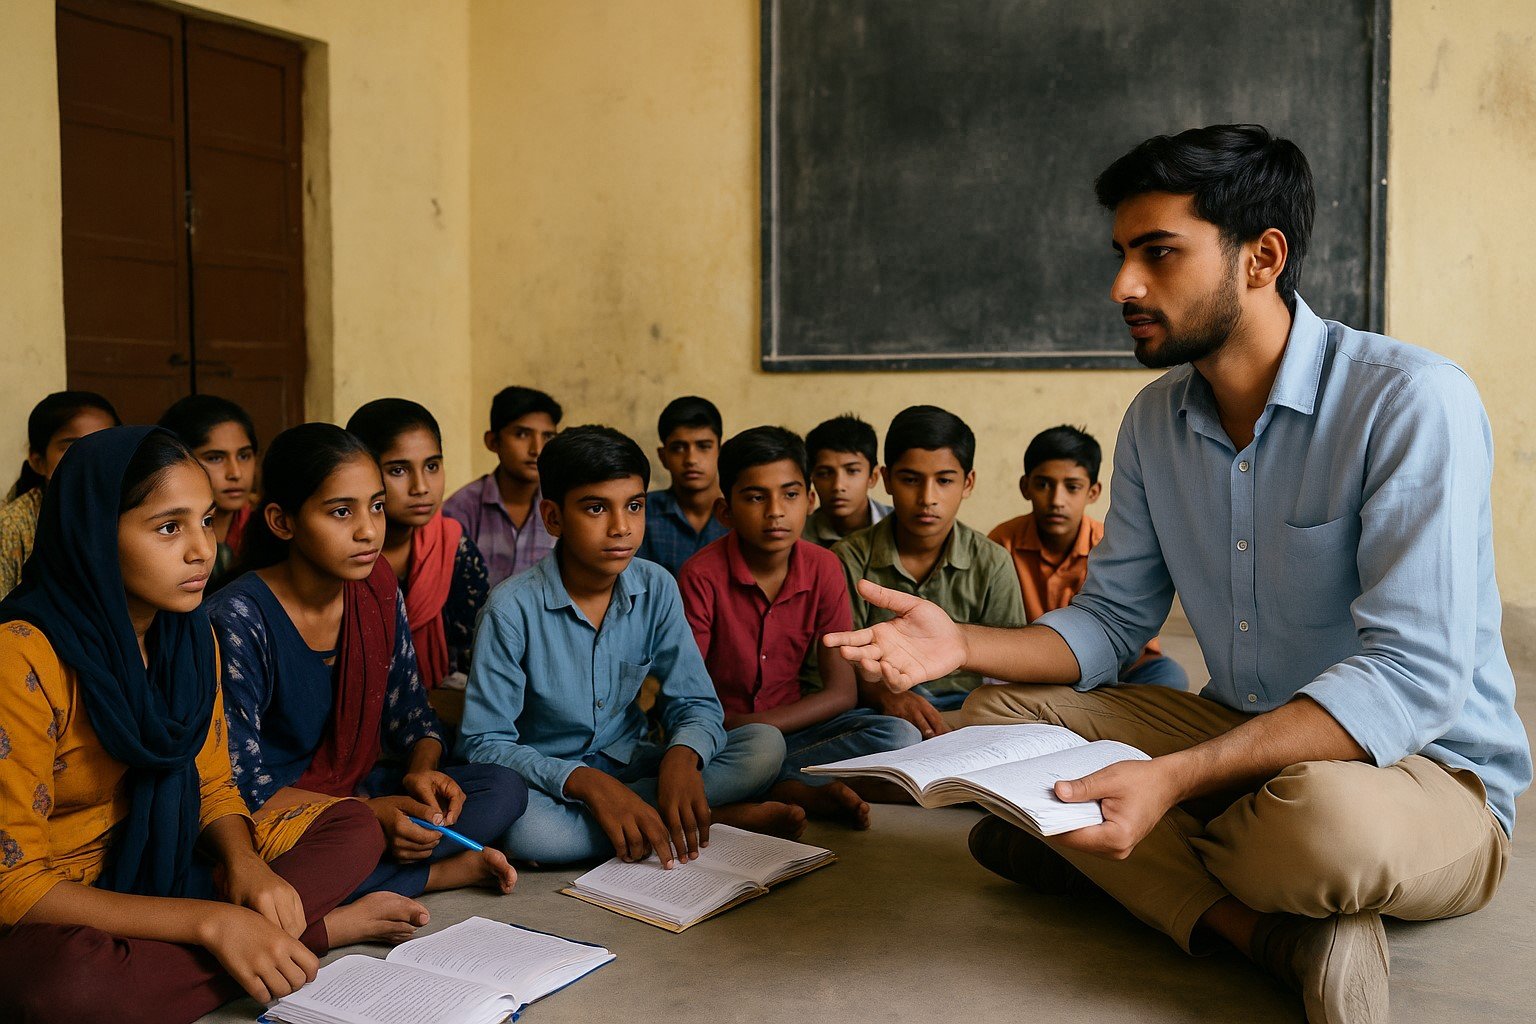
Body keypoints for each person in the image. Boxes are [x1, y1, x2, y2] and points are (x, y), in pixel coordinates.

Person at [825, 124, 1531, 1024]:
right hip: (1243, 737)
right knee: (996, 716)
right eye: (1122, 254)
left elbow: (1411, 677)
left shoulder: (1408, 402)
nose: (1124, 285)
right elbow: (1113, 622)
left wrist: (1177, 778)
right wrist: (961, 642)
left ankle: (1103, 853)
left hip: (1423, 773)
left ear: (1262, 257)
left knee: (1319, 825)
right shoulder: (1157, 419)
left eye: (1159, 254)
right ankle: (1262, 930)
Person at [0, 427, 402, 1024]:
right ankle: (309, 937)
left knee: (355, 827)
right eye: (168, 527)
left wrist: (244, 867)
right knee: (70, 988)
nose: (201, 550)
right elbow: (12, 884)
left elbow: (212, 782)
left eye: (207, 520)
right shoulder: (23, 655)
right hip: (51, 905)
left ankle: (243, 949)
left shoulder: (186, 637)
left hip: (155, 869)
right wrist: (212, 921)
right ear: (92, 535)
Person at [208, 424, 525, 921]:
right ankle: (433, 874)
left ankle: (361, 870)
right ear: (281, 521)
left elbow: (413, 716)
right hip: (275, 818)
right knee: (329, 843)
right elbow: (239, 783)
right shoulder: (237, 618)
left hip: (357, 792)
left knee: (504, 789)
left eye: (376, 506)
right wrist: (370, 815)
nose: (368, 530)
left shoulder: (375, 586)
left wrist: (422, 772)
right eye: (341, 512)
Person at [458, 425, 802, 866]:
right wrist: (586, 782)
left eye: (635, 506)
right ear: (554, 518)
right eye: (597, 508)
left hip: (635, 761)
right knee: (531, 835)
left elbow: (696, 701)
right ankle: (699, 817)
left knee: (763, 745)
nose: (621, 527)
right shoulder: (510, 610)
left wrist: (682, 759)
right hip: (552, 783)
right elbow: (485, 742)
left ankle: (649, 813)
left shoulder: (656, 585)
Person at [680, 426, 921, 827]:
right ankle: (782, 787)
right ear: (725, 510)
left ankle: (779, 784)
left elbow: (841, 692)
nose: (775, 510)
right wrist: (741, 729)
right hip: (722, 735)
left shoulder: (824, 566)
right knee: (749, 748)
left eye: (790, 494)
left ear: (809, 501)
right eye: (756, 497)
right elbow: (686, 696)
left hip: (793, 731)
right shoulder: (700, 576)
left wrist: (762, 726)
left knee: (899, 736)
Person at [832, 405, 1026, 736]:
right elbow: (837, 666)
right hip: (880, 708)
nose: (927, 498)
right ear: (888, 479)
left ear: (968, 483)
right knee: (895, 736)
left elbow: (1010, 667)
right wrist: (886, 696)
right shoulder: (848, 559)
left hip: (969, 705)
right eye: (910, 480)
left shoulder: (992, 562)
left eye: (944, 480)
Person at [989, 425, 1186, 689]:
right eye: (1043, 484)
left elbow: (1133, 645)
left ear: (1093, 492)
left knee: (1168, 677)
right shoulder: (1004, 542)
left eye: (1072, 487)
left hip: (1117, 669)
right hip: (1035, 669)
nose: (1057, 500)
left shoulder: (1113, 544)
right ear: (1026, 487)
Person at [346, 399, 489, 688]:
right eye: (399, 470)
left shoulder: (454, 550)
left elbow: (476, 662)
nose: (422, 487)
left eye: (432, 466)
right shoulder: (339, 554)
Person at [0, 391, 119, 598]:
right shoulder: (11, 526)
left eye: (104, 445)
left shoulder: (131, 512)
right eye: (72, 448)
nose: (89, 459)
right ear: (38, 462)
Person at [442, 386, 561, 588]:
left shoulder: (561, 506)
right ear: (493, 441)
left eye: (547, 437)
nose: (537, 449)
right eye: (522, 434)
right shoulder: (460, 510)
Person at [158, 394, 260, 590]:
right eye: (215, 458)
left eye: (244, 456)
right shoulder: (161, 530)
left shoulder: (267, 529)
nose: (235, 473)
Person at [636, 396, 728, 576]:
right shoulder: (642, 513)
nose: (691, 459)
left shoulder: (740, 514)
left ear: (720, 452)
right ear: (663, 457)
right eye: (678, 448)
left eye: (704, 446)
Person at [803, 414, 892, 548]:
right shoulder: (799, 538)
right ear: (812, 478)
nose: (838, 486)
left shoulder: (900, 528)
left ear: (873, 477)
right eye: (824, 473)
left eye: (852, 471)